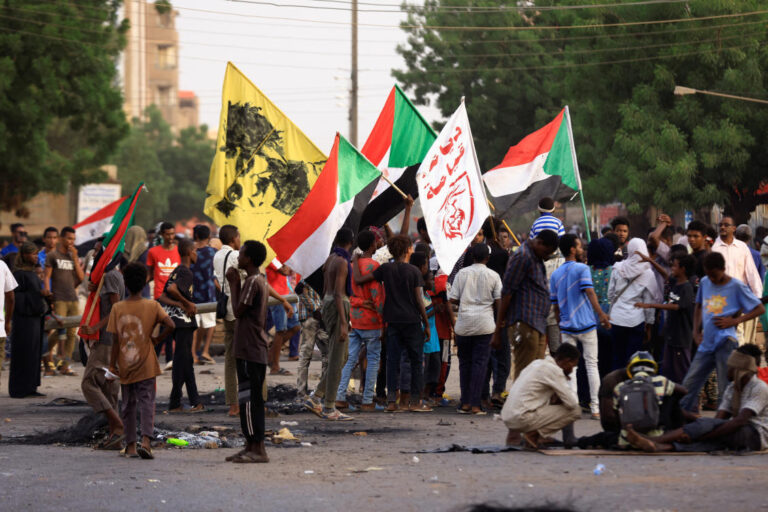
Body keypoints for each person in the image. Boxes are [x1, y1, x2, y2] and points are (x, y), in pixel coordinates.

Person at [626, 345, 768, 453]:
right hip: (738, 430)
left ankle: (654, 440)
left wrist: (699, 434)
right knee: (711, 439)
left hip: (756, 435)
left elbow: (739, 421)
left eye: (730, 367)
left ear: (738, 369)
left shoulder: (759, 388)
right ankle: (662, 446)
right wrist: (698, 427)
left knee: (711, 432)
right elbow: (719, 420)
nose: (727, 370)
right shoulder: (732, 388)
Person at [352, 233, 432, 413]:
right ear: (407, 250)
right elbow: (419, 300)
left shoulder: (385, 269)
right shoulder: (414, 271)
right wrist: (426, 324)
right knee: (416, 360)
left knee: (392, 360)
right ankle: (415, 402)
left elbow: (359, 279)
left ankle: (391, 402)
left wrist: (356, 261)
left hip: (392, 321)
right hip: (411, 320)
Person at [680, 252, 765, 412]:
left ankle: (722, 426)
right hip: (706, 343)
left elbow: (759, 308)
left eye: (715, 275)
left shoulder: (736, 286)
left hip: (726, 342)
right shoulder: (705, 282)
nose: (712, 279)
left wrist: (734, 321)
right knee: (689, 383)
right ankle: (680, 421)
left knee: (725, 388)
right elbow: (698, 306)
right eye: (709, 275)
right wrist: (695, 331)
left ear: (723, 269)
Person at [107, 263, 174, 459]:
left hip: (126, 364)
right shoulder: (152, 305)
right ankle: (146, 441)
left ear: (125, 284)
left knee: (128, 404)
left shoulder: (117, 308)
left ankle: (130, 446)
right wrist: (157, 340)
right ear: (145, 282)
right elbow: (170, 324)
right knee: (147, 402)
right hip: (146, 364)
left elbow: (115, 340)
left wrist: (112, 365)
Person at [550, 234, 611, 419]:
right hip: (586, 324)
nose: (582, 248)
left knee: (571, 368)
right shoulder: (582, 269)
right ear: (572, 249)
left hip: (567, 326)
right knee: (592, 365)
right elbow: (590, 292)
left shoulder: (556, 274)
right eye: (579, 245)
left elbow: (555, 305)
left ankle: (573, 406)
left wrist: (560, 321)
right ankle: (596, 408)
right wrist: (601, 314)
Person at [224, 241, 274, 463]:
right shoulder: (256, 280)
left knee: (251, 400)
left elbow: (237, 311)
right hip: (250, 347)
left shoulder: (253, 282)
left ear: (250, 259)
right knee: (247, 399)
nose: (238, 257)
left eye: (242, 254)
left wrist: (234, 284)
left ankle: (258, 448)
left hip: (251, 348)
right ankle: (250, 445)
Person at [492, 230, 559, 380]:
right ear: (539, 243)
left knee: (535, 376)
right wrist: (498, 330)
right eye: (546, 252)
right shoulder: (523, 256)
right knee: (525, 376)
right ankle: (519, 403)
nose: (547, 256)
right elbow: (507, 292)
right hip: (525, 322)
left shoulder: (535, 256)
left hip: (537, 323)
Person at [304, 228, 356, 420]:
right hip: (338, 304)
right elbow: (337, 293)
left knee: (343, 357)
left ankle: (317, 396)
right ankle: (328, 407)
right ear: (351, 242)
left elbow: (326, 289)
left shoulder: (330, 259)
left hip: (328, 304)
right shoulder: (342, 262)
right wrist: (344, 322)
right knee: (337, 358)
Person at [449, 243, 502, 415]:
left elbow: (453, 298)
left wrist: (467, 301)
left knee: (464, 363)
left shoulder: (462, 274)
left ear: (472, 257)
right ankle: (475, 404)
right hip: (485, 324)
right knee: (480, 364)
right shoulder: (493, 275)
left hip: (464, 324)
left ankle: (465, 403)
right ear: (488, 258)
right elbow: (499, 301)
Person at [336, 230, 384, 412]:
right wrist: (383, 319)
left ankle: (340, 397)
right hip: (371, 320)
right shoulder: (374, 266)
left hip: (354, 318)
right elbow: (377, 296)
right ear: (373, 245)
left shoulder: (350, 264)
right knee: (372, 360)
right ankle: (367, 400)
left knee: (349, 359)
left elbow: (346, 291)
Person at [80, 255, 124, 449]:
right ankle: (114, 434)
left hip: (106, 339)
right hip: (111, 339)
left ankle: (118, 425)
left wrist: (96, 326)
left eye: (98, 252)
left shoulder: (111, 276)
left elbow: (116, 307)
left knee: (89, 383)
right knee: (109, 388)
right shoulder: (108, 276)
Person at [501, 343, 582, 449]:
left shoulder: (537, 363)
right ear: (567, 361)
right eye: (572, 366)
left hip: (508, 417)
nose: (571, 371)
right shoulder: (554, 371)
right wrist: (564, 384)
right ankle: (534, 435)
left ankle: (519, 436)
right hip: (521, 418)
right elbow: (572, 403)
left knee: (547, 397)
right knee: (575, 411)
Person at [157, 238, 204, 413]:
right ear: (189, 252)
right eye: (195, 251)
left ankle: (190, 401)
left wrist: (180, 305)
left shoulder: (177, 270)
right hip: (183, 322)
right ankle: (179, 402)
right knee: (182, 362)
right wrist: (186, 303)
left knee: (184, 362)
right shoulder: (186, 272)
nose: (197, 254)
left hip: (176, 321)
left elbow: (162, 297)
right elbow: (171, 291)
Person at [635, 253, 696, 383]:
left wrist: (650, 305)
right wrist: (650, 260)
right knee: (667, 369)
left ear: (683, 269)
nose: (671, 268)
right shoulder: (676, 282)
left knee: (682, 372)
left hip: (681, 338)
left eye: (674, 266)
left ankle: (688, 400)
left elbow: (675, 307)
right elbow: (664, 274)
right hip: (671, 336)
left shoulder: (687, 288)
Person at [612, 351, 687, 450]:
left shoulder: (619, 387)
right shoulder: (661, 381)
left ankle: (630, 438)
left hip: (625, 438)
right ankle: (658, 438)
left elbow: (615, 413)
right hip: (656, 435)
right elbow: (684, 391)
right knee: (670, 395)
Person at [607, 238, 658, 370]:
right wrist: (649, 324)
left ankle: (616, 386)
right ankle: (632, 387)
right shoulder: (648, 273)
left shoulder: (618, 268)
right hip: (636, 321)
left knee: (617, 357)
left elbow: (610, 294)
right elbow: (648, 302)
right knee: (634, 360)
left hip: (616, 319)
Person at [713, 216, 763, 345]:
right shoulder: (714, 247)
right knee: (721, 336)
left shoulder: (742, 248)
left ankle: (737, 362)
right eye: (721, 225)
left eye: (726, 225)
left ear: (733, 229)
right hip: (718, 301)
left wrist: (757, 298)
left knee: (738, 336)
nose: (723, 227)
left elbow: (751, 273)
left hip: (738, 300)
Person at [9, 244, 49, 398]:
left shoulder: (32, 273)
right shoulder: (19, 275)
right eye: (33, 254)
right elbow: (16, 297)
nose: (35, 257)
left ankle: (31, 386)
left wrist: (43, 295)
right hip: (24, 320)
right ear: (25, 255)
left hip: (34, 319)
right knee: (23, 353)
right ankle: (19, 389)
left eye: (37, 254)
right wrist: (38, 294)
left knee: (33, 353)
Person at [44, 226, 84, 376]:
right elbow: (47, 276)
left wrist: (74, 257)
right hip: (59, 298)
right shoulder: (53, 255)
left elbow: (80, 278)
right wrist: (49, 295)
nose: (71, 241)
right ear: (61, 238)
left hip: (73, 298)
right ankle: (41, 351)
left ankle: (65, 365)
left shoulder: (73, 256)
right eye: (68, 238)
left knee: (71, 333)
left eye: (73, 239)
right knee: (57, 329)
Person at [213, 224, 241, 417]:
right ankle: (253, 400)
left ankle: (233, 404)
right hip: (240, 310)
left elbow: (216, 280)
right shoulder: (235, 256)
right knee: (249, 358)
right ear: (233, 239)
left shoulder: (217, 256)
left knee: (230, 359)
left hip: (226, 310)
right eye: (238, 237)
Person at [146, 222, 179, 369]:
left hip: (176, 295)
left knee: (167, 327)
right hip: (160, 295)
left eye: (172, 234)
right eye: (167, 234)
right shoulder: (153, 252)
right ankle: (168, 359)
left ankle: (156, 357)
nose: (171, 237)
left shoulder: (179, 251)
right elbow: (149, 274)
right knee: (166, 325)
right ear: (162, 235)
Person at [587, 236, 616, 377]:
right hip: (609, 319)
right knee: (607, 356)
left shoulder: (587, 271)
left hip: (589, 319)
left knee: (592, 359)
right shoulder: (614, 271)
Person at [295, 280, 329, 399]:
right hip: (311, 319)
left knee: (322, 356)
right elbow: (299, 290)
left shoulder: (311, 275)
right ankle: (315, 393)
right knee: (321, 355)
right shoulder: (310, 276)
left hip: (312, 319)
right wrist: (315, 309)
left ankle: (307, 392)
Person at [265, 260, 299, 375]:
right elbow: (285, 271)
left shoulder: (280, 256)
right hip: (277, 296)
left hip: (286, 293)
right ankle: (275, 366)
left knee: (296, 327)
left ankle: (271, 355)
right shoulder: (272, 257)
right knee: (281, 330)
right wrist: (287, 264)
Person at [191, 224, 218, 365]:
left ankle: (193, 354)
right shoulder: (213, 252)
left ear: (195, 236)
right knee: (210, 324)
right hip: (209, 291)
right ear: (208, 236)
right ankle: (205, 351)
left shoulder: (190, 252)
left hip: (193, 293)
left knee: (194, 325)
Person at [686, 220, 710, 288]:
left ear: (704, 237)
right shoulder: (690, 257)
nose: (692, 239)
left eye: (696, 236)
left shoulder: (706, 259)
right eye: (689, 236)